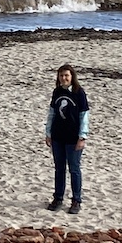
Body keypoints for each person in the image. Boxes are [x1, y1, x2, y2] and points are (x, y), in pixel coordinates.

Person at [45, 64, 90, 214]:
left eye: (66, 76)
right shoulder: (57, 92)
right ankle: (58, 198)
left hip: (73, 138)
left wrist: (82, 136)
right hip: (58, 136)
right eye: (61, 76)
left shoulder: (79, 93)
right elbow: (52, 113)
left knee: (74, 169)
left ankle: (76, 200)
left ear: (72, 77)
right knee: (59, 168)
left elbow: (84, 116)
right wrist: (48, 133)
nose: (64, 78)